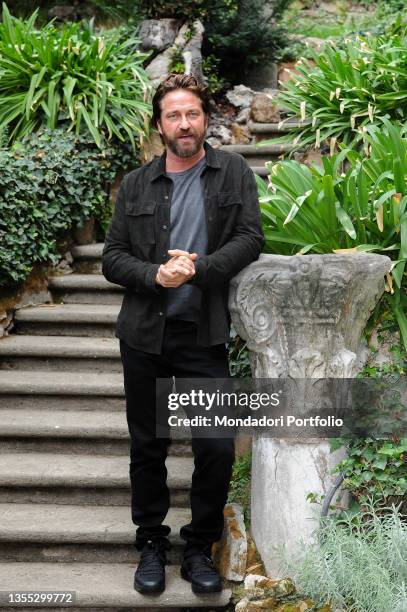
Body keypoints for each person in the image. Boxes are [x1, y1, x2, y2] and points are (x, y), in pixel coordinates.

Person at [102, 73, 264, 595]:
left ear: (205, 119)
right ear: (160, 124)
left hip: (202, 335)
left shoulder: (232, 172)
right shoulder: (135, 184)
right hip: (145, 336)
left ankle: (199, 546)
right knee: (148, 446)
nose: (184, 123)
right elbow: (112, 257)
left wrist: (202, 269)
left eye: (192, 113)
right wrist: (155, 275)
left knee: (215, 447)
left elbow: (250, 237)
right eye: (173, 114)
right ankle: (151, 543)